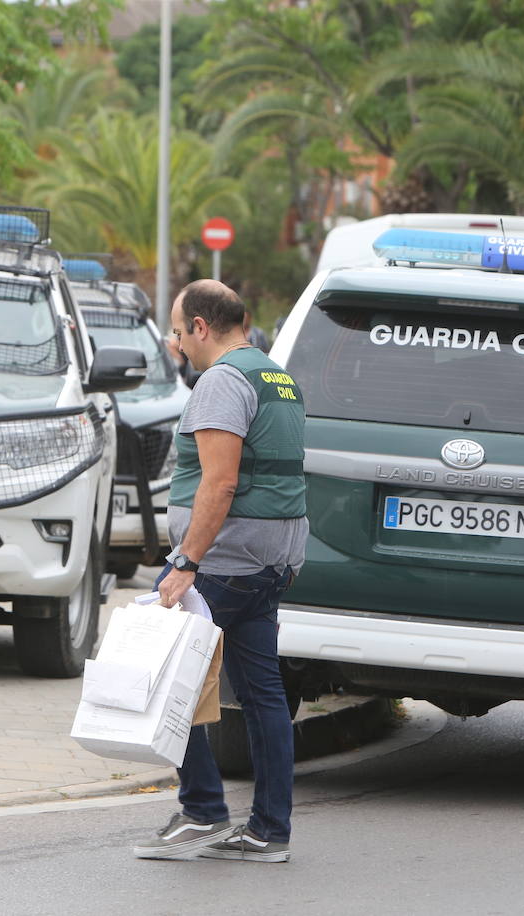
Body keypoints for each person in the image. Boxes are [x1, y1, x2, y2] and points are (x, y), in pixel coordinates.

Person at [131, 279, 307, 864]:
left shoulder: (221, 383)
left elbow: (221, 481)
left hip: (224, 565)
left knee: (162, 677)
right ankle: (268, 831)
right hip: (271, 563)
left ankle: (203, 808)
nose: (178, 346)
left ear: (202, 328)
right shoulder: (276, 376)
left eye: (179, 333)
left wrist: (185, 562)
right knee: (263, 696)